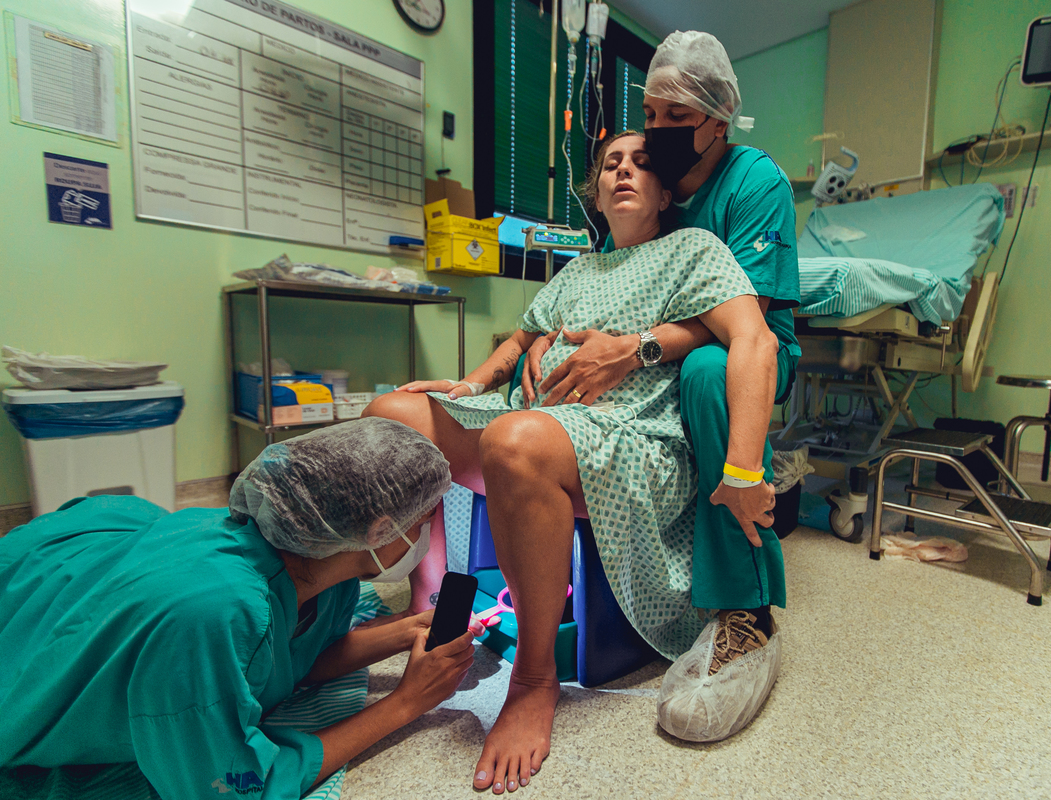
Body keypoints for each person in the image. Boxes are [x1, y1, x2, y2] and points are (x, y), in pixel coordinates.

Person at [363, 130, 779, 793]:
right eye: (611, 162)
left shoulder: (694, 251)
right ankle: (437, 611)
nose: (622, 170)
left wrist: (742, 469)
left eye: (641, 164)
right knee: (393, 417)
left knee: (515, 442)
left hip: (628, 436)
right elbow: (518, 342)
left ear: (668, 192)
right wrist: (468, 386)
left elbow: (754, 339)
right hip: (535, 418)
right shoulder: (579, 269)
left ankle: (532, 681)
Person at [520, 31, 802, 739]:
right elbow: (610, 286)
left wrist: (636, 349)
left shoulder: (752, 182)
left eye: (677, 118)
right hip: (647, 360)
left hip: (733, 352)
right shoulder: (656, 181)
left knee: (707, 372)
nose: (656, 135)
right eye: (650, 114)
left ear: (718, 117)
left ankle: (746, 610)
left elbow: (746, 329)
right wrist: (543, 343)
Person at [0, 418, 479, 800]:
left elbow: (293, 660)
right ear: (378, 531)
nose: (426, 538)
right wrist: (406, 703)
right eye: (424, 522)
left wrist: (404, 630)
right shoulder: (214, 615)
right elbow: (234, 786)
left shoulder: (325, 561)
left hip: (104, 554)